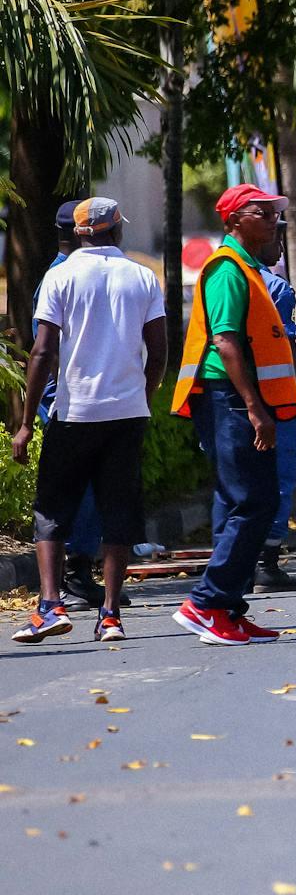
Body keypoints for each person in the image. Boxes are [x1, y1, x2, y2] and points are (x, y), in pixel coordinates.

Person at [11, 199, 166, 645]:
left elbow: (42, 353)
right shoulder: (141, 276)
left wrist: (26, 421)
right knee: (118, 514)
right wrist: (143, 396)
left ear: (80, 234)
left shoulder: (59, 277)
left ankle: (49, 605)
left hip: (75, 412)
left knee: (52, 509)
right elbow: (157, 351)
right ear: (115, 230)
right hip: (126, 414)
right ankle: (111, 615)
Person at [170, 184, 296, 645]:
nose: (271, 220)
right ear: (234, 221)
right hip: (229, 398)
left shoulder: (250, 268)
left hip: (242, 400)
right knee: (250, 501)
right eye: (261, 213)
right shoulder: (227, 269)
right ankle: (205, 602)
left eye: (273, 213)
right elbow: (225, 342)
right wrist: (253, 407)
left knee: (259, 501)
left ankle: (227, 607)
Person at [35, 201, 108, 612]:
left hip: (84, 402)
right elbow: (45, 354)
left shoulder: (79, 274)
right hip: (67, 404)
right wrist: (52, 404)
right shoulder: (58, 278)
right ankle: (72, 578)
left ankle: (80, 572)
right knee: (72, 495)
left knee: (89, 493)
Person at [254, 249, 296, 593]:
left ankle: (243, 562)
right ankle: (266, 563)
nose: (277, 240)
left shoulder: (216, 276)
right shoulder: (277, 289)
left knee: (240, 485)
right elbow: (288, 350)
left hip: (231, 404)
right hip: (277, 402)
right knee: (279, 480)